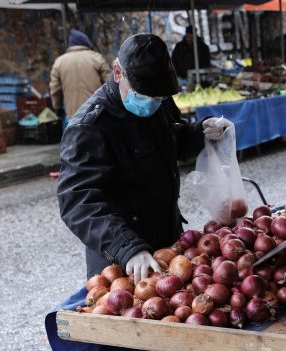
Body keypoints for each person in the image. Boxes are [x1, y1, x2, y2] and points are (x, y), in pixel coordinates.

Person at [57, 33, 232, 284]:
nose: (152, 103)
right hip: (122, 258)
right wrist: (128, 248)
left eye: (158, 98)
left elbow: (170, 140)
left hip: (167, 239)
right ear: (118, 73)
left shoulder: (158, 98)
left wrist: (199, 133)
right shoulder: (89, 127)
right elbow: (77, 201)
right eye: (145, 95)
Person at [49, 30, 111, 119]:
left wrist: (57, 107)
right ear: (86, 43)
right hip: (96, 113)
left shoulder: (59, 62)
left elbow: (55, 90)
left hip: (73, 116)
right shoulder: (97, 58)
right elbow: (109, 85)